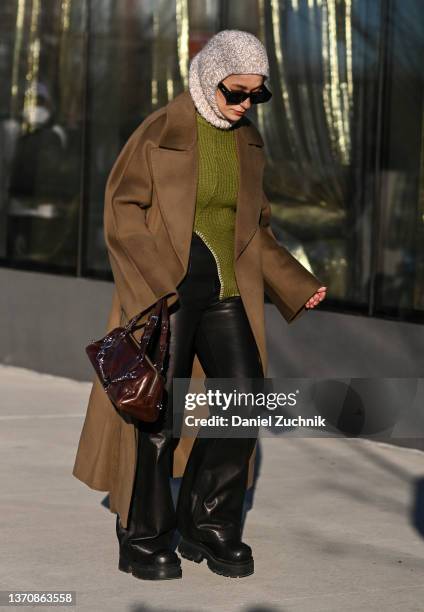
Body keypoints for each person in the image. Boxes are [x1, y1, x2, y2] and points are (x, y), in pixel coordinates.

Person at [72, 29, 326, 582]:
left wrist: (295, 281)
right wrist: (160, 277)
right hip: (167, 293)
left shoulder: (248, 143)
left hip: (225, 293)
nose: (243, 105)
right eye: (235, 92)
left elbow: (254, 230)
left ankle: (207, 523)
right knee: (154, 411)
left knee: (244, 401)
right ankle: (143, 535)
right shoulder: (161, 130)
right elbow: (122, 209)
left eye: (255, 96)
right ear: (209, 78)